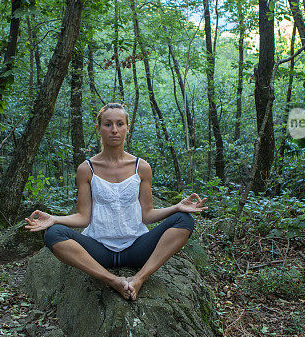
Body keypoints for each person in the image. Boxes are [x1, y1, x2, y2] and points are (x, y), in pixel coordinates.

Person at [24, 102, 207, 300]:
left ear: (128, 128)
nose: (114, 130)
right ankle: (113, 281)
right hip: (98, 249)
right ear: (99, 128)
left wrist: (176, 207)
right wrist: (54, 218)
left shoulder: (141, 167)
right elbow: (83, 217)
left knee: (185, 220)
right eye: (108, 124)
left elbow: (147, 215)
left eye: (120, 124)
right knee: (53, 234)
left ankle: (139, 279)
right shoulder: (86, 169)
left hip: (137, 247)